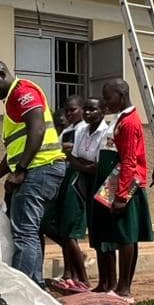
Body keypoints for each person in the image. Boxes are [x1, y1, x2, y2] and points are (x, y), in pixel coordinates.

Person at [0, 59, 67, 287]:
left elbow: (37, 129)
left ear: (2, 73)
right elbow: (16, 149)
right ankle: (34, 287)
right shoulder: (12, 102)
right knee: (30, 232)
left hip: (40, 168)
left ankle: (20, 293)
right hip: (38, 168)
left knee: (24, 233)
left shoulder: (22, 93)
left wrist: (21, 170)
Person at [90, 80, 153, 299]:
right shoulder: (120, 119)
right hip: (113, 180)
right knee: (112, 230)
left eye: (108, 98)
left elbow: (128, 161)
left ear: (121, 94)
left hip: (125, 183)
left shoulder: (129, 122)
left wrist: (123, 194)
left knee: (126, 234)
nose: (105, 103)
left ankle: (124, 288)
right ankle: (112, 283)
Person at [43, 95, 89, 289]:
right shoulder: (67, 131)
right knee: (52, 225)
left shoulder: (85, 129)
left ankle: (83, 278)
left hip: (76, 184)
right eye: (67, 110)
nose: (69, 114)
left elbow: (76, 152)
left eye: (73, 110)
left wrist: (67, 150)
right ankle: (69, 272)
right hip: (62, 181)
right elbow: (61, 151)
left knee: (70, 232)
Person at [68, 97, 112, 289]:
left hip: (105, 185)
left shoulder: (107, 132)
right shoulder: (81, 131)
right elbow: (75, 160)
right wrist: (86, 165)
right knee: (95, 235)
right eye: (85, 109)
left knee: (107, 236)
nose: (87, 113)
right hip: (87, 186)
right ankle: (102, 282)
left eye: (92, 110)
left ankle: (112, 282)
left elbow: (100, 166)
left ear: (102, 111)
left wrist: (83, 165)